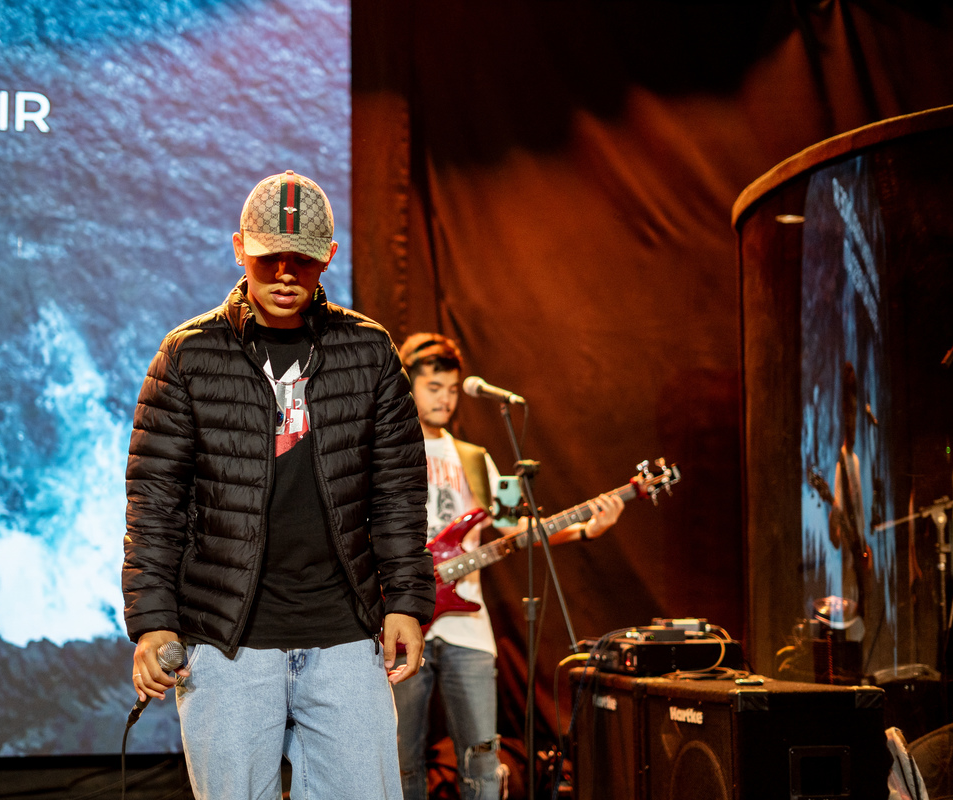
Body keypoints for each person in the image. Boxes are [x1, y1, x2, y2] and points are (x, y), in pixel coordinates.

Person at [122, 170, 434, 800]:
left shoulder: (368, 351)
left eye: (302, 260)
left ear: (329, 259)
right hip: (225, 644)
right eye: (269, 258)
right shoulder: (188, 354)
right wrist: (153, 622)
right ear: (240, 248)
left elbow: (397, 491)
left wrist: (405, 601)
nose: (285, 274)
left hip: (347, 635)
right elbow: (155, 503)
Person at [392, 333, 624, 800]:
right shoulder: (387, 449)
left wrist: (583, 529)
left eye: (452, 388)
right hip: (401, 620)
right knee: (400, 762)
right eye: (434, 386)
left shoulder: (476, 459)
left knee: (482, 758)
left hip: (468, 627)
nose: (445, 398)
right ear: (409, 385)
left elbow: (516, 528)